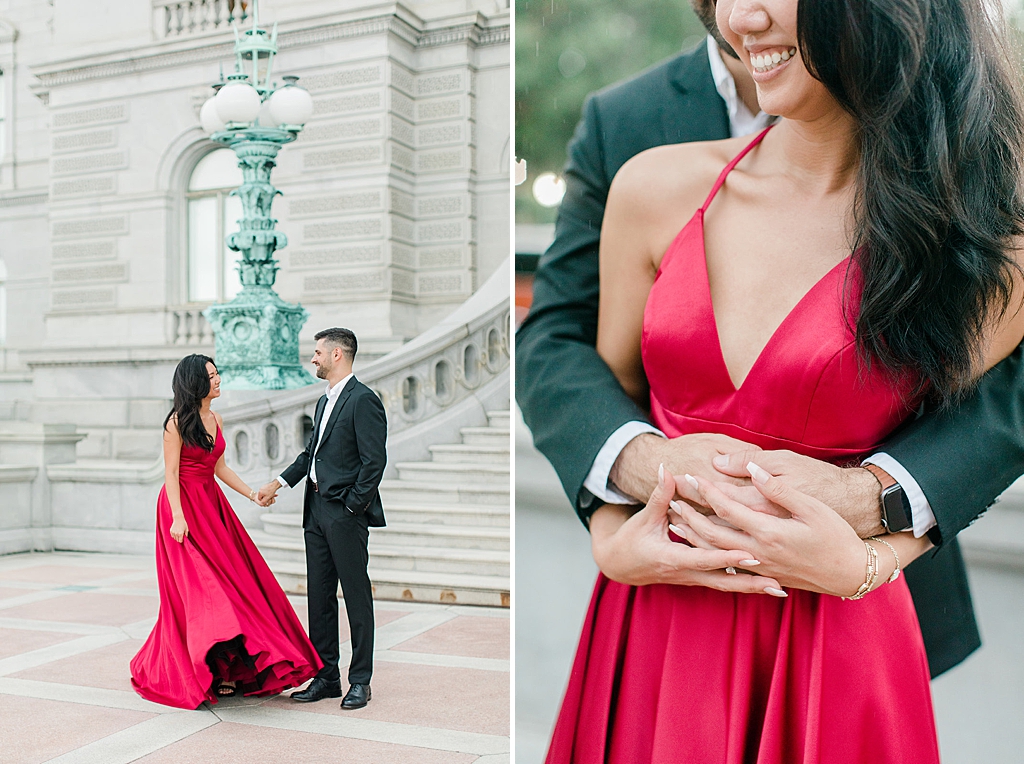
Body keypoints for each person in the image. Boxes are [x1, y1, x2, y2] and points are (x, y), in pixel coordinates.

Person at [539, 0, 1024, 759]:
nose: (738, 15)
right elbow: (598, 379)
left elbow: (987, 417)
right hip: (653, 614)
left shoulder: (983, 243)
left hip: (840, 626)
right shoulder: (652, 187)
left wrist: (870, 561)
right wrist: (610, 537)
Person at [130, 354, 321, 709]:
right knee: (202, 592)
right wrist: (177, 516)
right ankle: (200, 668)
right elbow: (171, 474)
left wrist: (251, 494)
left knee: (236, 586)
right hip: (182, 509)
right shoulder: (175, 423)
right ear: (195, 383)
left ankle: (229, 670)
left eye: (218, 374)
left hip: (212, 507)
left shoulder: (216, 418)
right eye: (213, 376)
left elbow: (219, 468)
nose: (219, 380)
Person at [258, 327, 387, 710]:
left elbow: (373, 462)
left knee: (357, 598)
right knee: (319, 596)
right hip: (314, 511)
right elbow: (310, 455)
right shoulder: (323, 401)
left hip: (344, 513)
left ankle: (360, 681)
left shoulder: (363, 400)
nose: (312, 358)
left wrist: (351, 508)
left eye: (317, 352)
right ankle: (327, 677)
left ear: (337, 355)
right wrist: (279, 482)